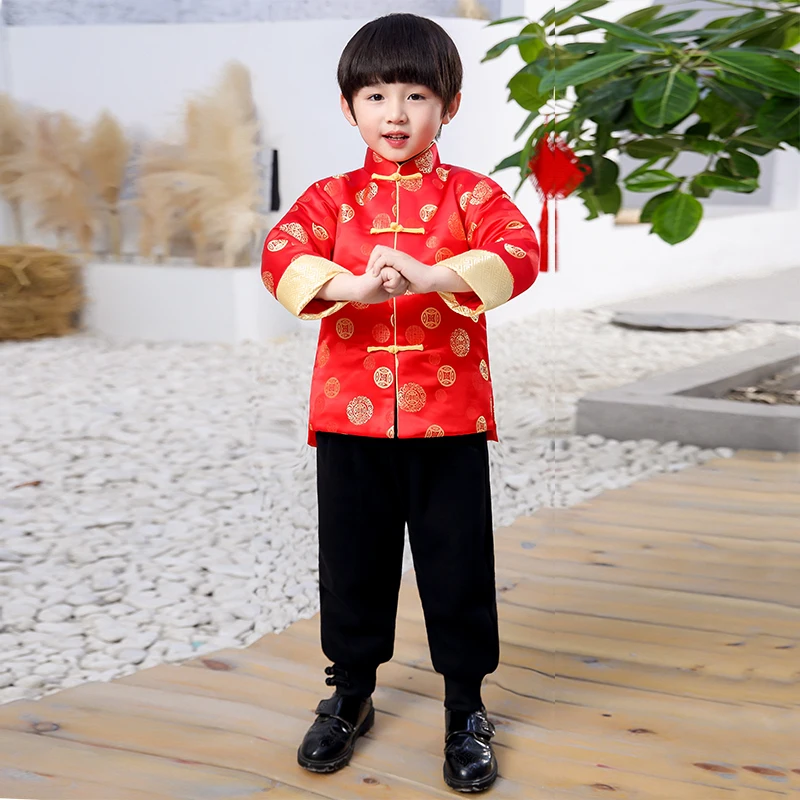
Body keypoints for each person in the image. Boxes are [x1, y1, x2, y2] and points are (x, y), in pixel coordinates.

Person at [260, 13, 539, 793]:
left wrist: (436, 275)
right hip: (347, 412)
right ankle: (349, 693)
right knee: (352, 559)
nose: (395, 113)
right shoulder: (331, 197)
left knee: (457, 559)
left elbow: (519, 252)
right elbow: (281, 253)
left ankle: (466, 707)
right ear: (348, 107)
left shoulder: (472, 194)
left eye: (416, 95)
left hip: (448, 417)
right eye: (376, 96)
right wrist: (347, 287)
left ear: (449, 106)